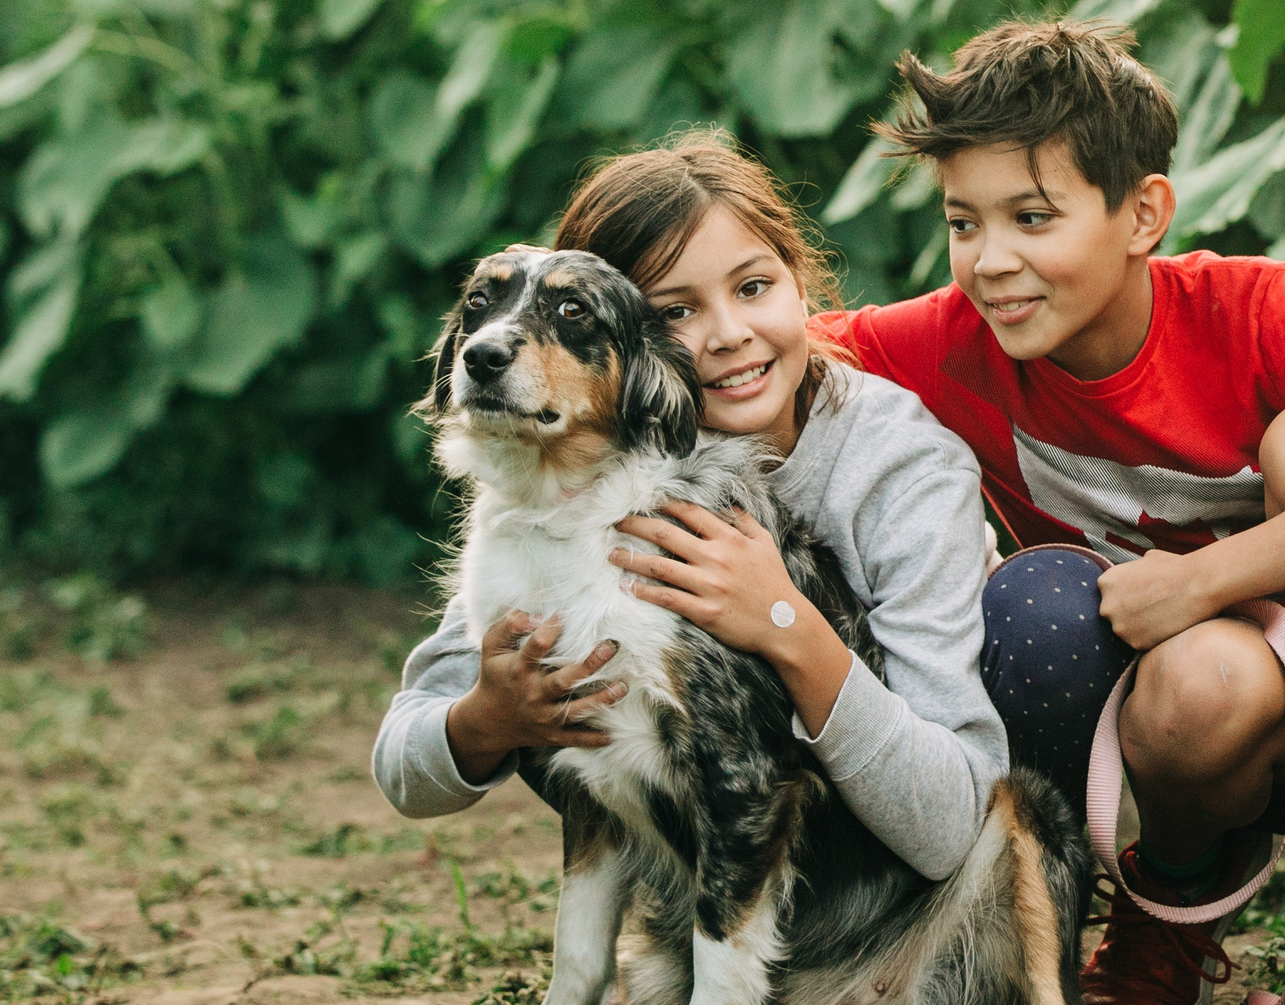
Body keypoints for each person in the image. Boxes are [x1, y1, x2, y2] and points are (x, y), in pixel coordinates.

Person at [812, 19, 1285, 1005]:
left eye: (1032, 217)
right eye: (964, 223)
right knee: (1192, 687)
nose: (991, 261)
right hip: (1220, 718)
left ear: (1142, 214)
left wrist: (1202, 580)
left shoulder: (1253, 309)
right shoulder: (948, 346)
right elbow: (761, 350)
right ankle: (1174, 894)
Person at [374, 132, 1006, 908]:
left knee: (1043, 612)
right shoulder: (574, 469)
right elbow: (404, 764)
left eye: (753, 287)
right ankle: (688, 932)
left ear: (800, 283)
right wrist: (488, 717)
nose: (729, 334)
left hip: (904, 868)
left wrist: (784, 621)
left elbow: (946, 825)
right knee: (566, 661)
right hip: (724, 852)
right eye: (675, 310)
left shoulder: (901, 466)